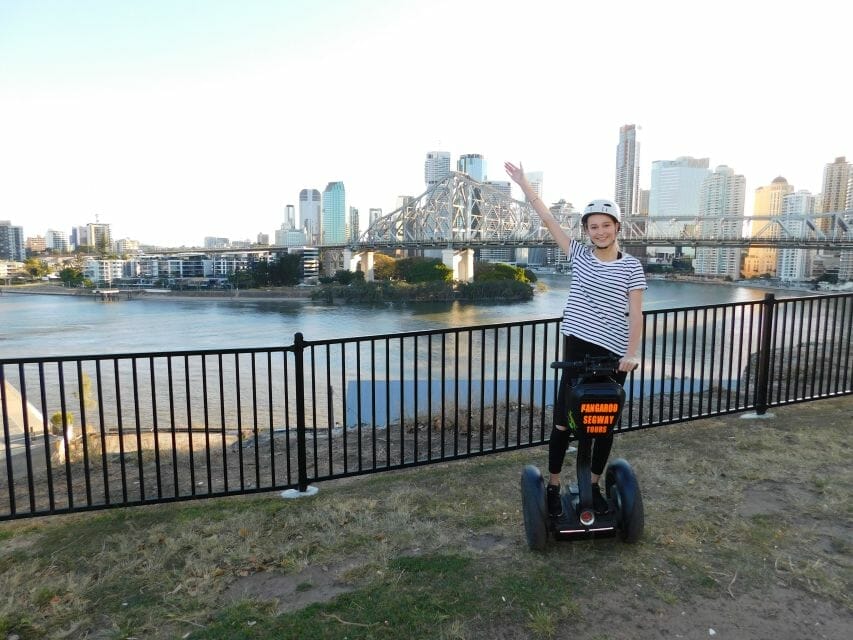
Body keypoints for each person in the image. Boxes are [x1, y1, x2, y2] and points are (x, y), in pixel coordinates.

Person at [504, 161, 646, 517]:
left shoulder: (632, 266)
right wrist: (524, 184)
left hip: (614, 355)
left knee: (604, 424)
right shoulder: (578, 255)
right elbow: (547, 218)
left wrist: (631, 354)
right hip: (577, 349)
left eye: (606, 225)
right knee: (563, 423)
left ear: (617, 227)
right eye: (593, 226)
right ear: (587, 231)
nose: (600, 231)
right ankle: (553, 486)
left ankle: (593, 485)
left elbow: (636, 313)